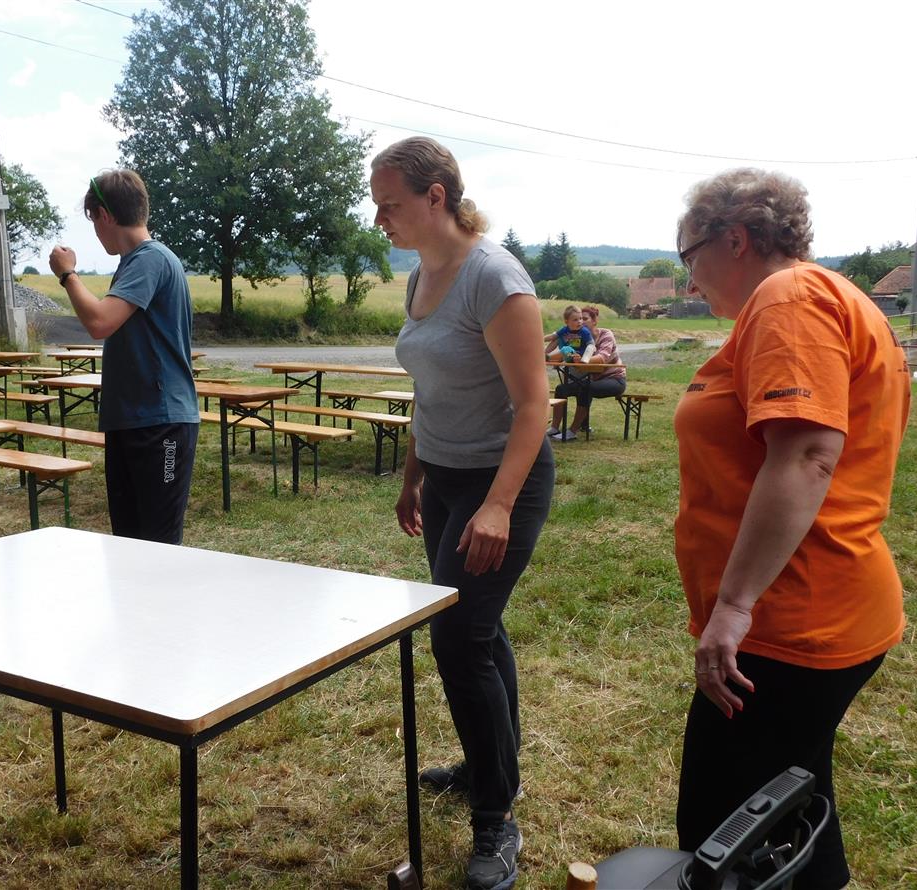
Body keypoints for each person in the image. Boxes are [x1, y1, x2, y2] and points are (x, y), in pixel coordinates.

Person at [673, 168, 910, 889]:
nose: (688, 282)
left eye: (688, 257)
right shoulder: (830, 297)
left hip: (788, 624)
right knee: (790, 808)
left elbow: (807, 454)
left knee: (722, 834)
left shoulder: (790, 298)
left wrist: (734, 605)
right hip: (822, 609)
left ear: (734, 239)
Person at [371, 136, 554, 890]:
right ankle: (490, 768)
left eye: (390, 204)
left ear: (436, 196)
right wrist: (414, 476)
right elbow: (430, 389)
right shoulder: (422, 274)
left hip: (500, 482)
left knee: (457, 637)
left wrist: (499, 505)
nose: (379, 218)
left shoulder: (494, 278)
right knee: (479, 631)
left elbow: (535, 405)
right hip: (444, 480)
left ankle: (496, 818)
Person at [48, 170, 200, 545]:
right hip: (133, 421)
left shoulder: (151, 259)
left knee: (158, 549)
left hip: (160, 424)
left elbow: (100, 322)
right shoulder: (134, 263)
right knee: (128, 546)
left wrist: (67, 275)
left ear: (105, 215)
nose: (96, 234)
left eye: (93, 222)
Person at [546, 305, 626, 440]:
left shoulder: (606, 334)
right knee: (561, 389)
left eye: (584, 319)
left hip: (614, 379)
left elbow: (602, 358)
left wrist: (582, 360)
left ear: (595, 321)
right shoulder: (578, 337)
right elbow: (566, 347)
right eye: (578, 319)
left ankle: (572, 431)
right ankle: (554, 428)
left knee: (586, 388)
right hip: (590, 378)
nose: (581, 322)